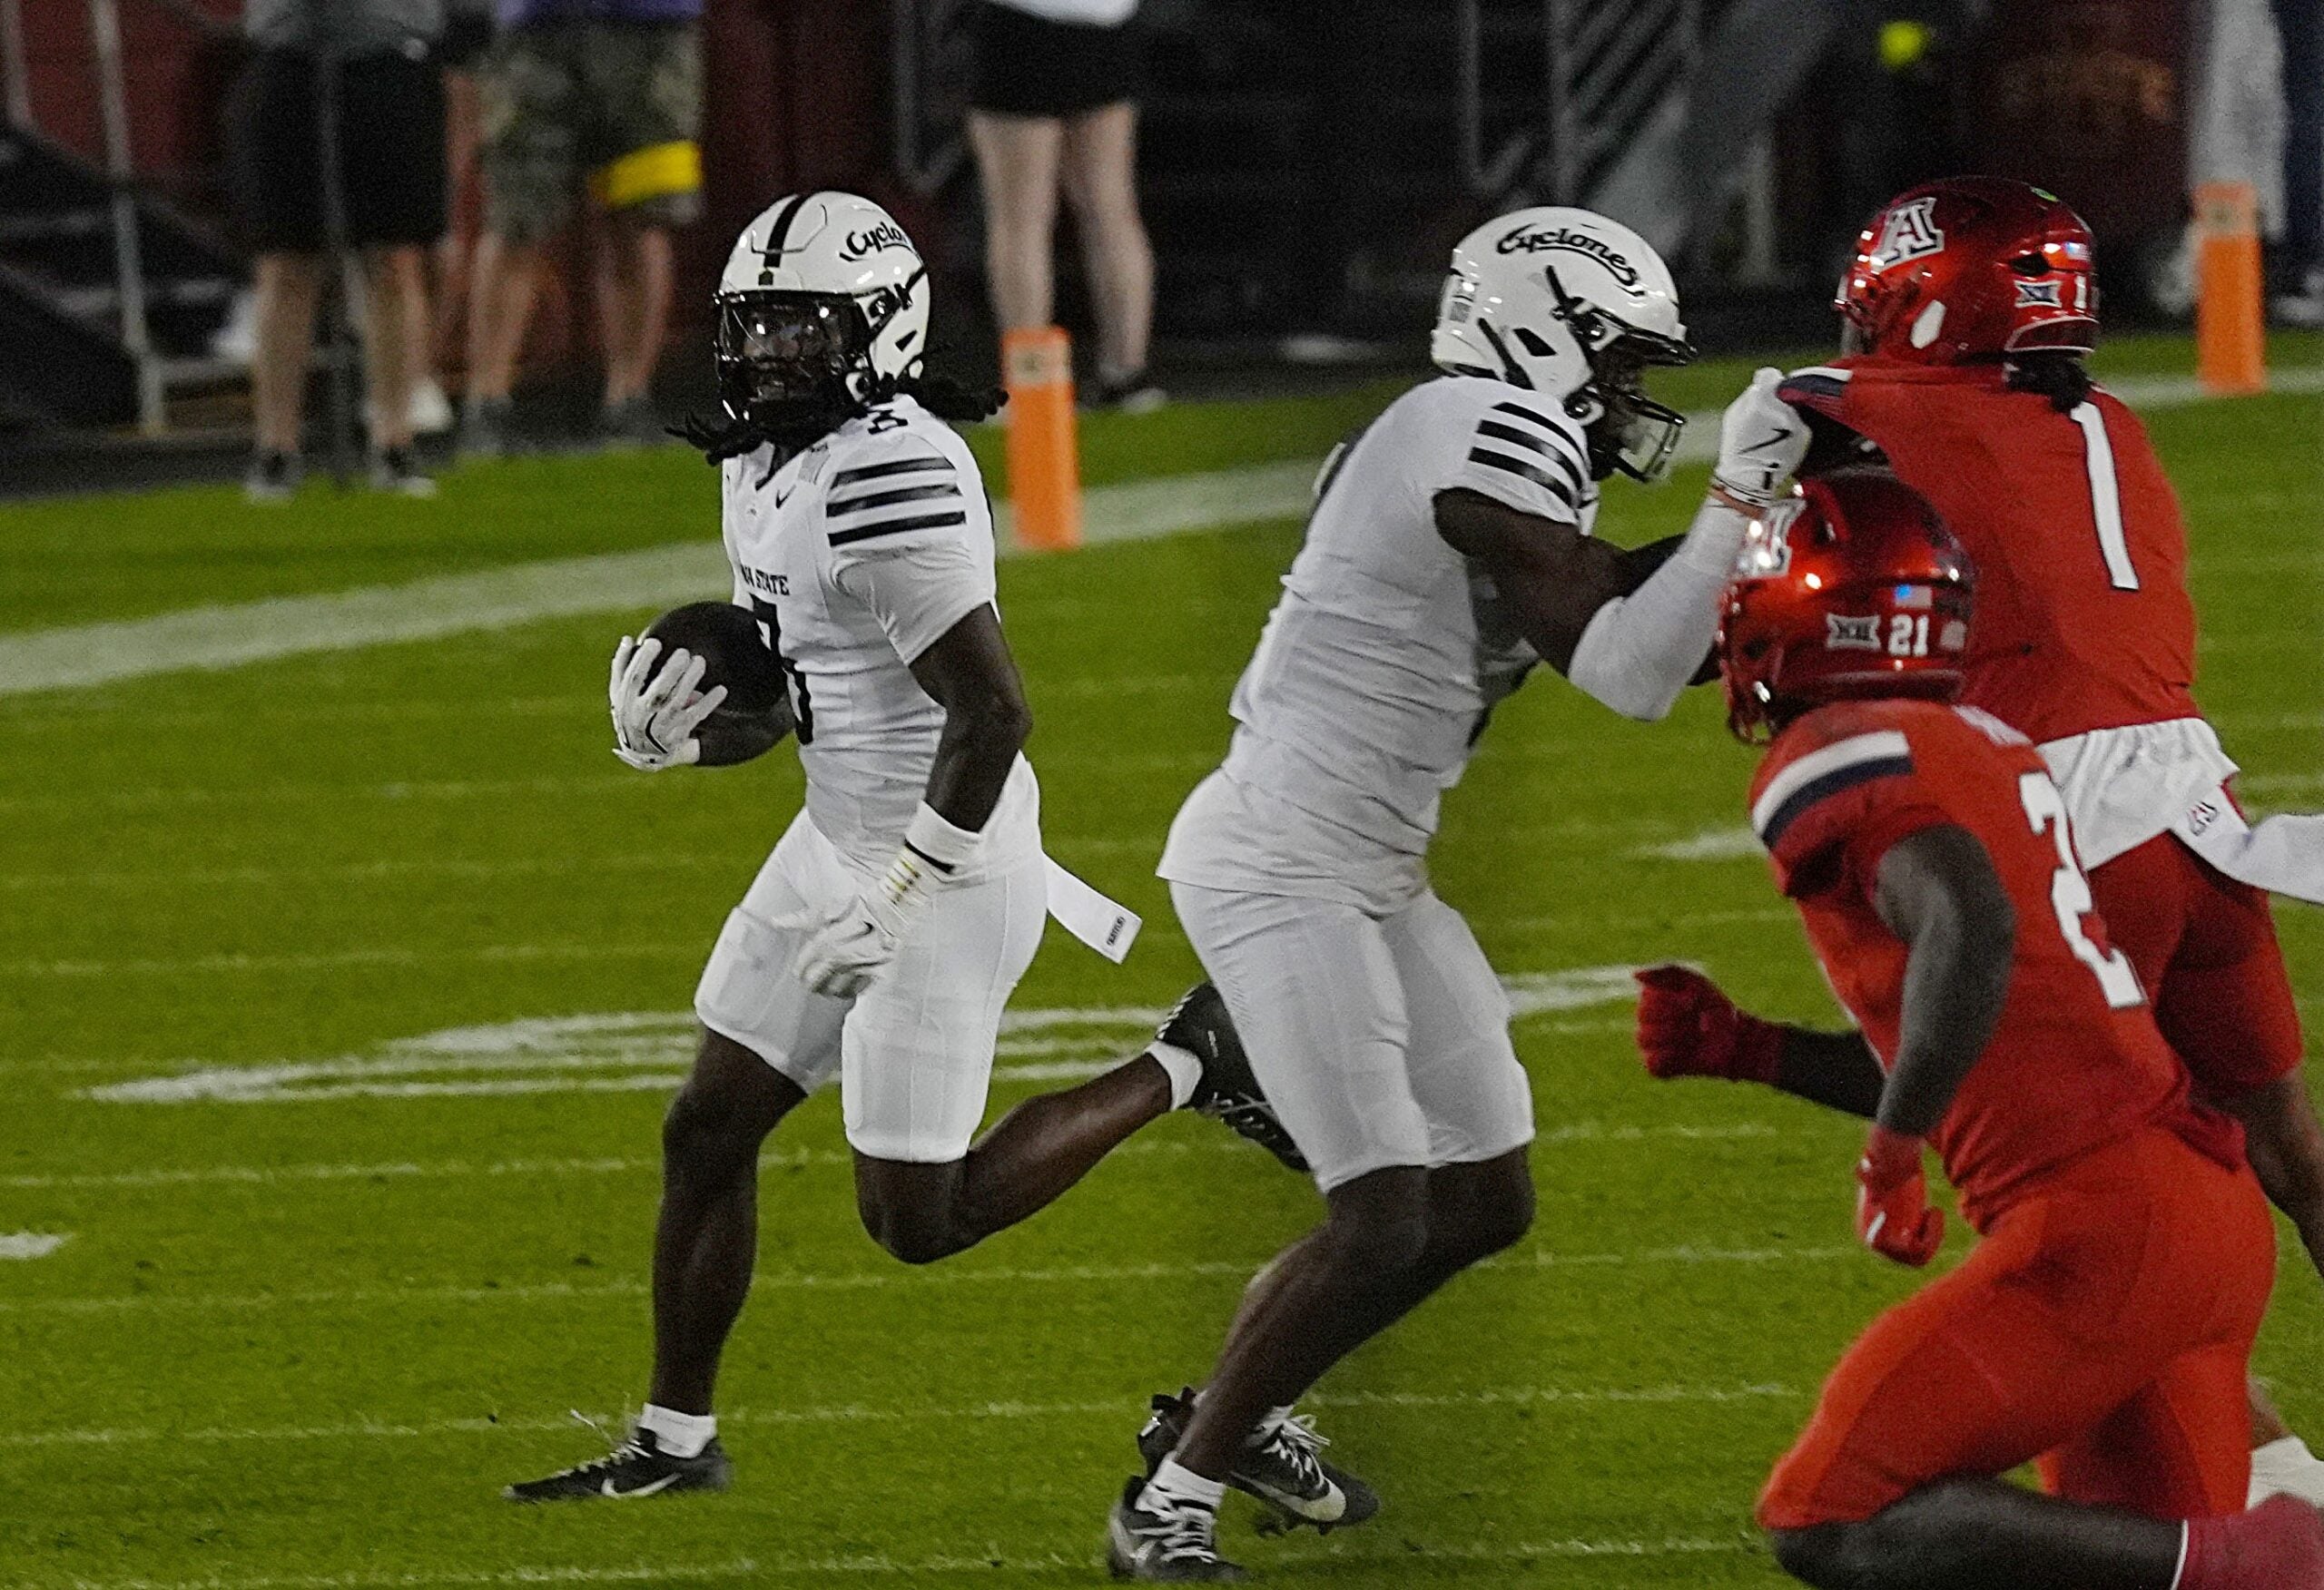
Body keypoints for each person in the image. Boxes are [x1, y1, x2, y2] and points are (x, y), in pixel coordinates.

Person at [503, 192, 1305, 1505]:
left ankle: (1193, 1058)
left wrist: (902, 890)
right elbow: (815, 682)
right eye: (752, 330)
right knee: (707, 1128)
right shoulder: (765, 454)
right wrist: (692, 727)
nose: (766, 359)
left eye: (800, 333)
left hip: (948, 855)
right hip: (838, 836)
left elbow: (992, 713)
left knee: (919, 1223)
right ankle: (674, 1442)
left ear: (878, 333)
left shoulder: (889, 470)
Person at [1105, 207, 1817, 1581]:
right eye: (1611, 358)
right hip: (1281, 861)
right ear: (1537, 329)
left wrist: (1779, 522)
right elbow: (1622, 668)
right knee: (1381, 1215)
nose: (1623, 394)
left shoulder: (1473, 433)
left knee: (1485, 1200)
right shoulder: (1473, 426)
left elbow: (1617, 602)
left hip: (1367, 866)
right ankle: (1174, 1497)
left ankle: (1232, 1416)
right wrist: (1742, 506)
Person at [1719, 176, 2324, 1503]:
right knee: (2289, 1157)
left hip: (2060, 825)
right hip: (2204, 822)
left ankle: (2259, 1490)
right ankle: (2270, 1475)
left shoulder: (1831, 403)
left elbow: (1764, 525)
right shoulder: (2106, 419)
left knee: (2083, 1187)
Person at [1633, 468, 2324, 1590]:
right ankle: (2251, 1560)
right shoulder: (1985, 743)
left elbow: (1969, 924)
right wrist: (1749, 1048)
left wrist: (1893, 1152)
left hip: (2098, 1235)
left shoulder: (1826, 755)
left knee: (1826, 1518)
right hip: (2195, 1219)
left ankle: (2262, 1555)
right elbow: (1978, 1020)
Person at [459, 0, 704, 456]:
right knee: (517, 222)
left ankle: (629, 399)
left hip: (650, 28)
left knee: (643, 219)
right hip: (538, 30)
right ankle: (486, 404)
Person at [231, 0, 446, 499]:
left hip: (390, 52)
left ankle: (395, 442)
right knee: (287, 262)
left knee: (394, 260)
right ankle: (276, 450)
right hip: (290, 53)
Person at [965, 0, 1160, 412]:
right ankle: (1127, 374)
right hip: (1106, 25)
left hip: (1023, 24)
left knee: (1020, 221)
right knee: (1109, 208)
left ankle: (1029, 385)